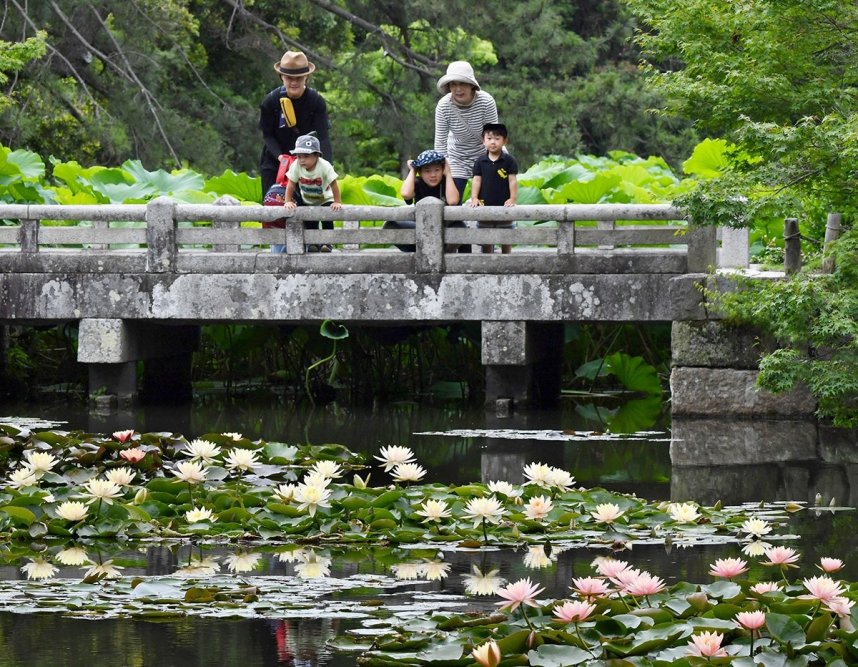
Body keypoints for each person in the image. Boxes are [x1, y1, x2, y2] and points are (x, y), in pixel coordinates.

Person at [259, 50, 332, 198]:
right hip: (276, 162)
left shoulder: (316, 101)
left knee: (309, 212)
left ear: (306, 77)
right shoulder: (270, 101)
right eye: (289, 78)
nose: (294, 82)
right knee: (272, 208)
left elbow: (323, 138)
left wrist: (327, 170)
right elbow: (267, 135)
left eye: (299, 78)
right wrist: (281, 158)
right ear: (281, 77)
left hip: (307, 164)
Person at [433, 61, 499, 202]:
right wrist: (443, 169)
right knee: (452, 203)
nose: (458, 89)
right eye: (453, 84)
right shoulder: (443, 106)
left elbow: (493, 136)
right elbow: (440, 143)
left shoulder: (486, 101)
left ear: (471, 85)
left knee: (493, 195)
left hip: (484, 152)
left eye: (462, 84)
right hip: (457, 155)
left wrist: (492, 162)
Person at [383, 149, 463, 252]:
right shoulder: (417, 183)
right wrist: (413, 170)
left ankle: (442, 252)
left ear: (443, 169)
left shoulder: (447, 182)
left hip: (443, 227)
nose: (433, 175)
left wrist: (448, 174)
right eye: (427, 171)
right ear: (420, 172)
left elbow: (453, 201)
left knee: (460, 226)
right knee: (390, 225)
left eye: (437, 170)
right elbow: (406, 194)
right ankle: (422, 251)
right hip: (421, 227)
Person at [283, 133, 342, 252]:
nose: (302, 160)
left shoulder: (325, 166)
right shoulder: (296, 166)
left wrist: (337, 202)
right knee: (310, 223)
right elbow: (291, 184)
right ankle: (312, 244)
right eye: (299, 156)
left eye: (306, 156)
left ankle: (327, 243)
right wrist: (288, 201)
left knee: (327, 220)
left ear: (316, 155)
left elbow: (334, 184)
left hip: (325, 199)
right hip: (308, 200)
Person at [469, 123, 518, 254]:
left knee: (506, 236)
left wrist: (512, 198)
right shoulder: (480, 161)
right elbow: (476, 180)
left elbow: (512, 180)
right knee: (486, 237)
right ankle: (487, 262)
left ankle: (507, 260)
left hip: (504, 205)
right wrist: (474, 198)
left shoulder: (509, 161)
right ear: (483, 140)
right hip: (484, 205)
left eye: (497, 139)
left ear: (504, 141)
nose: (493, 142)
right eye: (489, 138)